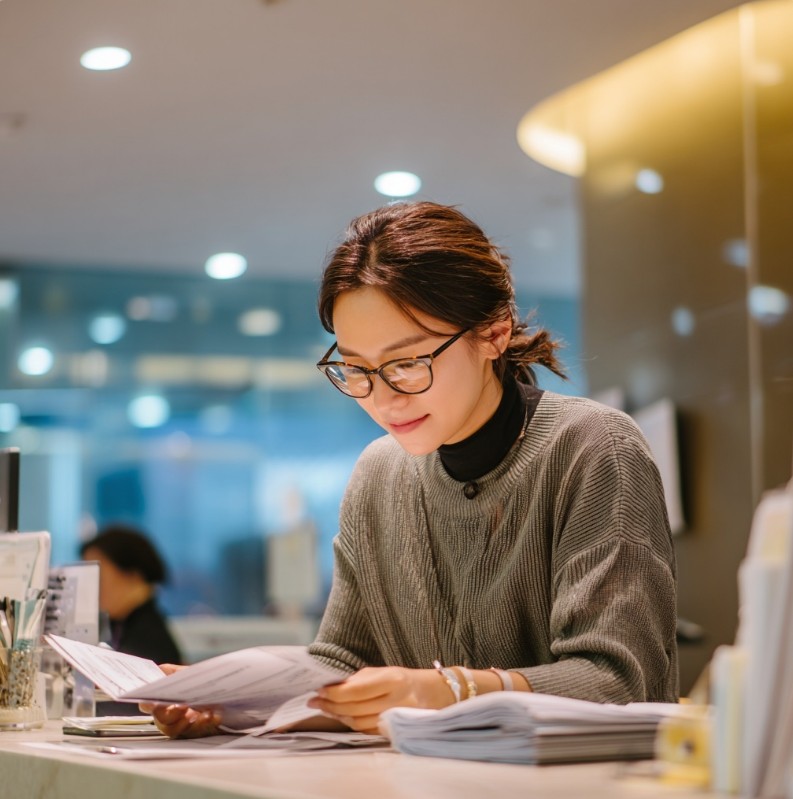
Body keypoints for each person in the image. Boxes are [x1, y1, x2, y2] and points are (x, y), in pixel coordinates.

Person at [150, 201, 678, 738]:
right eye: (356, 369)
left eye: (406, 363)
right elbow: (343, 664)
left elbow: (617, 682)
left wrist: (451, 690)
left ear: (494, 333)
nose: (382, 398)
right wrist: (231, 702)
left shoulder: (591, 448)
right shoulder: (379, 475)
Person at [81, 524, 183, 666]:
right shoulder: (121, 625)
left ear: (133, 575)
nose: (90, 586)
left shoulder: (148, 640)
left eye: (97, 576)